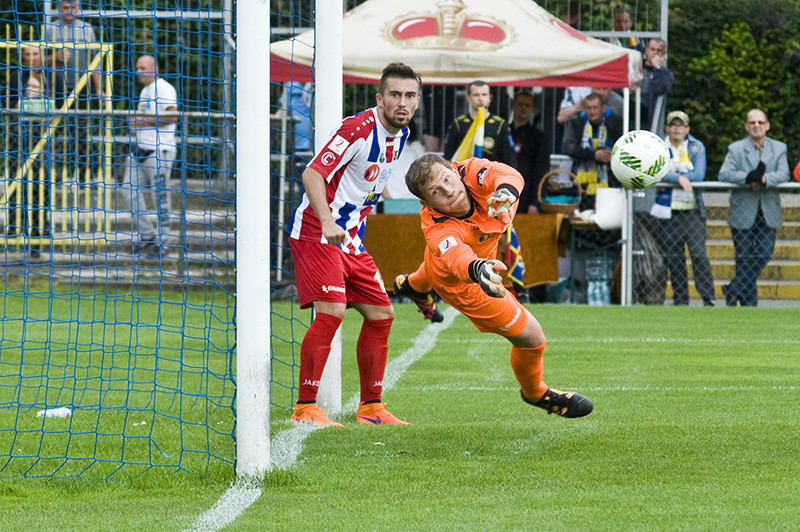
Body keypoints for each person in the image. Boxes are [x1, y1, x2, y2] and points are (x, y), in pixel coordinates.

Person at [398, 154, 593, 418]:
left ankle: (412, 286)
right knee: (533, 339)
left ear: (453, 170)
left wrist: (504, 192)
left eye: (446, 179)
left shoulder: (473, 173)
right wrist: (479, 270)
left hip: (438, 264)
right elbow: (457, 258)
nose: (448, 191)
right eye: (436, 192)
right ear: (426, 203)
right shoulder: (438, 229)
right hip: (463, 283)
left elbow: (509, 175)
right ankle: (536, 393)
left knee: (430, 271)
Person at [287, 62, 422, 426]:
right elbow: (313, 172)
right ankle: (304, 408)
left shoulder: (402, 134)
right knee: (331, 311)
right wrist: (328, 220)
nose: (402, 102)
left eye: (410, 96)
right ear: (380, 98)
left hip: (349, 238)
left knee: (382, 314)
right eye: (395, 94)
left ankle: (371, 409)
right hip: (318, 230)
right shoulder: (357, 129)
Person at [718, 109, 790, 307]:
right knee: (743, 257)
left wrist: (765, 180)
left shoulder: (779, 148)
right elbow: (724, 174)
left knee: (765, 252)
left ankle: (734, 288)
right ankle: (749, 305)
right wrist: (748, 179)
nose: (756, 125)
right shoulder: (736, 148)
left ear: (767, 125)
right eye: (752, 122)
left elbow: (784, 174)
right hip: (743, 210)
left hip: (768, 210)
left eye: (760, 122)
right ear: (746, 127)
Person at [4, 45, 67, 255]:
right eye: (27, 55)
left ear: (43, 56)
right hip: (19, 138)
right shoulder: (15, 76)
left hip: (43, 138)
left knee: (42, 185)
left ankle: (40, 230)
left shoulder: (54, 77)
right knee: (17, 181)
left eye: (35, 54)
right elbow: (10, 104)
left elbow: (61, 105)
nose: (31, 58)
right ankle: (14, 228)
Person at [651, 111, 715, 306]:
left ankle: (708, 297)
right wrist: (677, 177)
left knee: (698, 253)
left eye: (681, 125)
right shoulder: (658, 147)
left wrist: (670, 176)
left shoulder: (696, 147)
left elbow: (698, 175)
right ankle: (681, 299)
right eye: (674, 125)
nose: (677, 129)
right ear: (667, 128)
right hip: (668, 211)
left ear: (687, 129)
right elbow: (654, 172)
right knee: (674, 257)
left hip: (692, 211)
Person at [119, 55, 179, 257]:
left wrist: (144, 122)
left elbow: (173, 116)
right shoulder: (145, 90)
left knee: (160, 197)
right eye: (136, 67)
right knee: (128, 189)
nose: (138, 71)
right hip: (139, 150)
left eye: (142, 67)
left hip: (159, 150)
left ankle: (164, 243)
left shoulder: (164, 88)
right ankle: (147, 235)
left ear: (155, 69)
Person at [561, 92, 623, 211]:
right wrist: (593, 155)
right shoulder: (576, 123)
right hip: (582, 183)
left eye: (595, 108)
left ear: (603, 108)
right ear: (584, 109)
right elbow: (567, 147)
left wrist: (608, 155)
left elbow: (621, 147)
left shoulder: (615, 122)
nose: (592, 111)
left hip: (610, 180)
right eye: (588, 108)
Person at [443, 80, 517, 167]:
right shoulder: (458, 124)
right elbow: (447, 159)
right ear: (468, 98)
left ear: (490, 97)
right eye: (476, 95)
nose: (480, 98)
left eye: (484, 95)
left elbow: (510, 160)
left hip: (492, 176)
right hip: (464, 175)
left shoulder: (500, 125)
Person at [44, 0, 105, 103]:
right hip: (55, 86)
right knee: (57, 117)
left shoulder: (87, 29)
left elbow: (95, 61)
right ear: (59, 9)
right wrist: (54, 56)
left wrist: (99, 89)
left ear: (78, 8)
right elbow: (39, 60)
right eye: (66, 8)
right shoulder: (50, 29)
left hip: (82, 85)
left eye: (73, 8)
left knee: (80, 118)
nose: (69, 11)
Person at [510, 91, 550, 214]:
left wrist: (535, 202)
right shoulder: (503, 132)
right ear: (513, 106)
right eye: (520, 104)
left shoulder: (538, 137)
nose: (523, 108)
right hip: (504, 189)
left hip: (526, 197)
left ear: (532, 109)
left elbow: (541, 170)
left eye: (527, 106)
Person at [639, 38, 674, 132]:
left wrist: (657, 68)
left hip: (653, 121)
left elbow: (659, 89)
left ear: (664, 53)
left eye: (659, 51)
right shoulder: (636, 68)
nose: (655, 53)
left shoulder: (666, 74)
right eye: (652, 49)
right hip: (633, 117)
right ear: (647, 50)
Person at [557, 86, 623, 127]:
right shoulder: (578, 93)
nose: (601, 92)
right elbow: (561, 118)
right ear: (592, 87)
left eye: (605, 89)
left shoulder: (619, 103)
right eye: (598, 88)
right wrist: (579, 106)